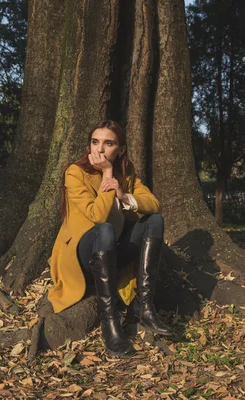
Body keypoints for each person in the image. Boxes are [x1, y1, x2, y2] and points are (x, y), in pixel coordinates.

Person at [48, 120, 173, 357]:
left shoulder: (127, 171)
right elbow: (97, 215)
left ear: (121, 149)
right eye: (95, 142)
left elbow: (154, 204)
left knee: (154, 221)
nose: (100, 149)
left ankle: (144, 306)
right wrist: (106, 173)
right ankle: (110, 323)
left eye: (108, 143)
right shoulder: (75, 172)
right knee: (104, 229)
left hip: (113, 255)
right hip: (84, 257)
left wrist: (123, 194)